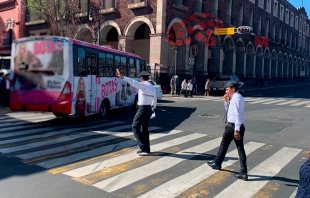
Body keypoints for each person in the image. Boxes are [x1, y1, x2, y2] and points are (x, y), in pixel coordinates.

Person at [207, 81, 247, 181]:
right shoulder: (234, 98)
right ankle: (243, 172)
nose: (226, 91)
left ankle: (217, 163)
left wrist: (236, 130)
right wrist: (226, 101)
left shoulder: (236, 98)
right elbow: (230, 112)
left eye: (227, 89)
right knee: (238, 148)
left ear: (233, 89)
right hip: (235, 126)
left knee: (224, 145)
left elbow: (237, 115)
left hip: (233, 127)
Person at [116, 68, 157, 154]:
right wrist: (152, 109)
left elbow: (133, 82)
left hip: (142, 109)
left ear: (141, 79)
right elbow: (155, 100)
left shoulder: (143, 86)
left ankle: (143, 146)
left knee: (135, 126)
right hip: (149, 108)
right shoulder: (152, 87)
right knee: (144, 129)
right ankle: (147, 148)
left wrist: (123, 77)